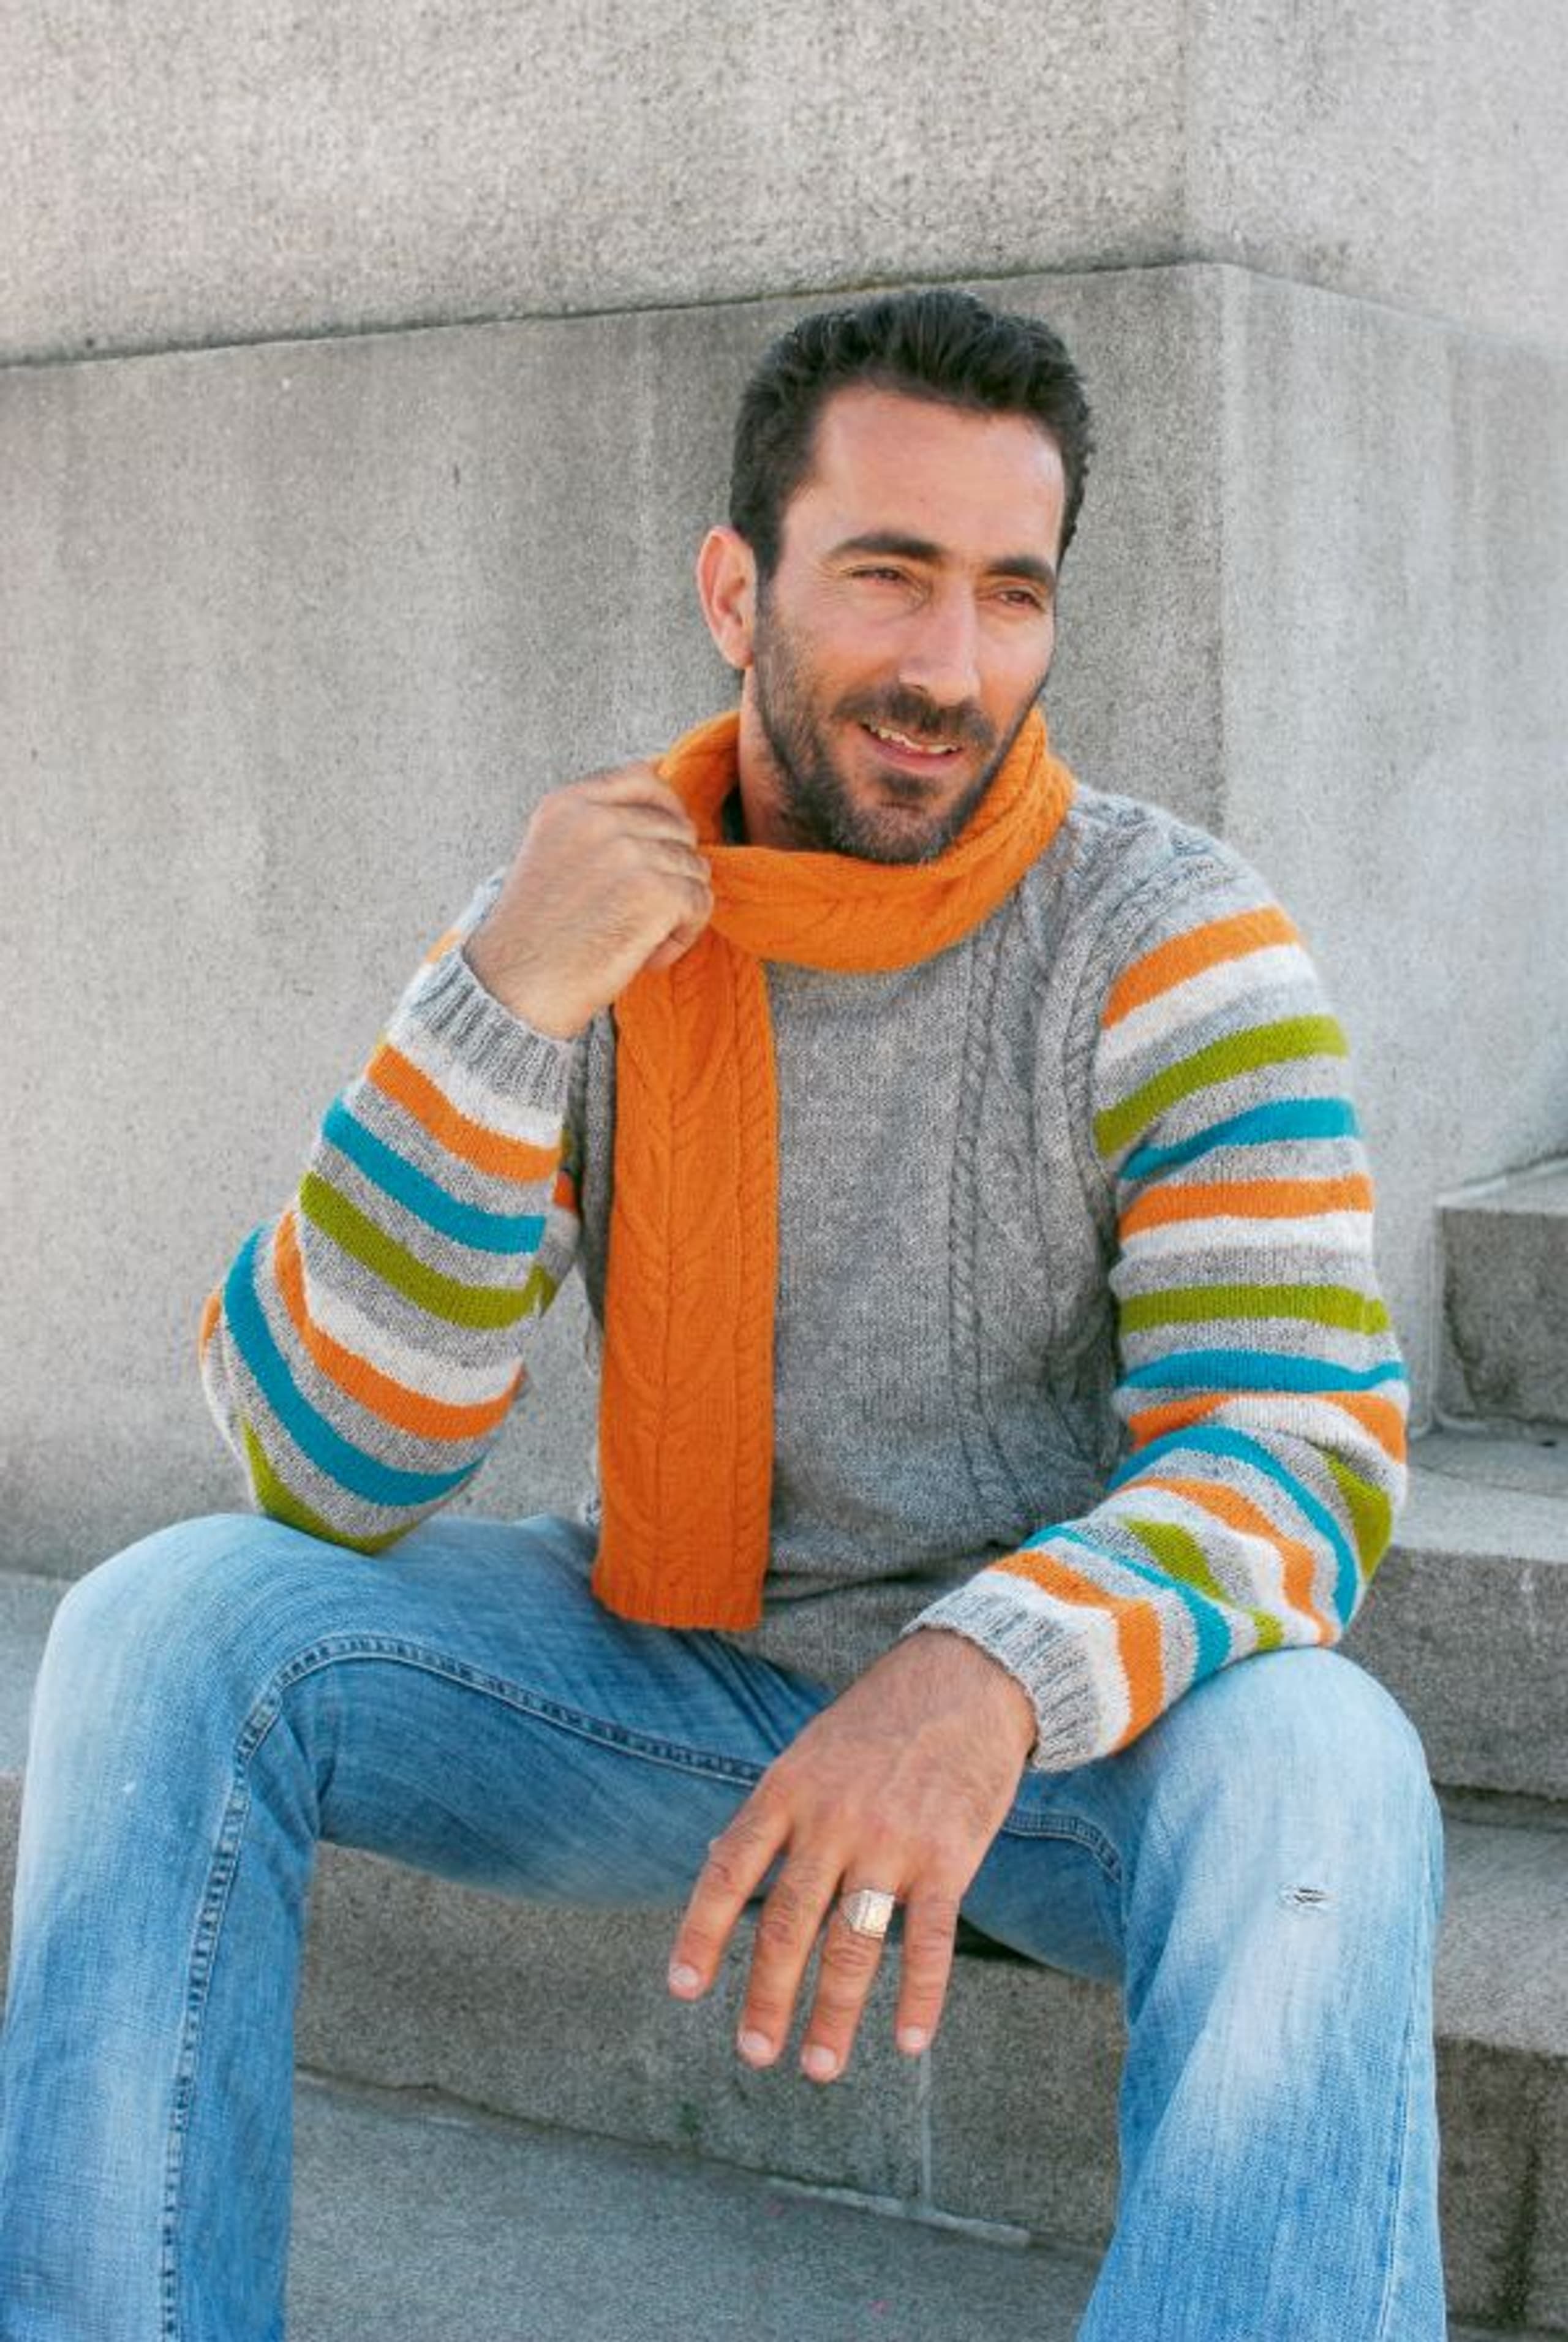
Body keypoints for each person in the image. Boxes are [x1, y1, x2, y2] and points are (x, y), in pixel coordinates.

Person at [0, 289, 1444, 2339]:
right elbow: (327, 1468)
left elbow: (1295, 1441)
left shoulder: (1168, 934)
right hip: (683, 1671)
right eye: (887, 575)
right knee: (165, 1626)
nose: (951, 667)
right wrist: (501, 1002)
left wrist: (978, 1674)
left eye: (1012, 594)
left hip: (1063, 1747)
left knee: (1328, 1767)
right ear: (733, 588)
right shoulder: (588, 918)